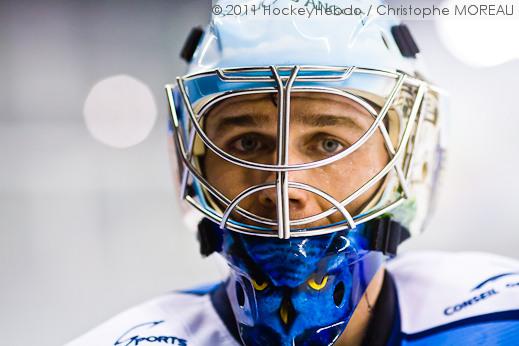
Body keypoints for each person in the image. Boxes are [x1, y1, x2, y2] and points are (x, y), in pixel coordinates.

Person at [68, 0, 519, 345]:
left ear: (403, 160)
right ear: (196, 160)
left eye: (329, 143)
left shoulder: (501, 317)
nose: (284, 190)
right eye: (247, 143)